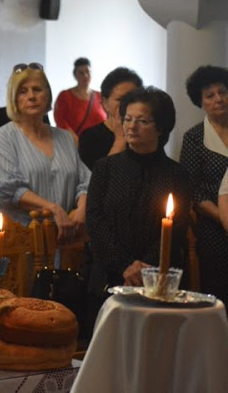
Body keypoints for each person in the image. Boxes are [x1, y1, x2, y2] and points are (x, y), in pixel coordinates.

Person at [86, 87, 191, 335]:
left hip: (159, 278)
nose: (131, 127)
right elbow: (95, 219)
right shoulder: (106, 168)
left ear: (161, 128)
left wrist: (146, 269)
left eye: (142, 121)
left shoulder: (177, 174)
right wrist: (124, 265)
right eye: (127, 119)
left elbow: (176, 227)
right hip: (110, 276)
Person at [0, 63, 90, 241]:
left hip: (62, 235)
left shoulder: (65, 137)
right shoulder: (4, 136)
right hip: (18, 237)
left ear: (48, 96)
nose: (31, 96)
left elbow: (85, 182)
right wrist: (53, 208)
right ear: (14, 99)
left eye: (37, 89)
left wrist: (81, 209)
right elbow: (7, 189)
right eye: (23, 91)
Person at [180, 65, 228, 307]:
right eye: (210, 95)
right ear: (201, 102)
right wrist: (223, 216)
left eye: (223, 92)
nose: (219, 99)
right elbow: (192, 189)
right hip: (213, 224)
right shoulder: (194, 138)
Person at [78, 67, 143, 169]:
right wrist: (120, 139)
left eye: (132, 99)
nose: (127, 104)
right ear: (105, 103)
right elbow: (97, 181)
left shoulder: (147, 131)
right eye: (120, 99)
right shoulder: (90, 138)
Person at [53, 57, 106, 139]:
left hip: (100, 146)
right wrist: (77, 142)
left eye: (88, 72)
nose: (85, 75)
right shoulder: (65, 96)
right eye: (81, 73)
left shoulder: (100, 96)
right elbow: (61, 122)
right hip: (73, 146)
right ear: (75, 75)